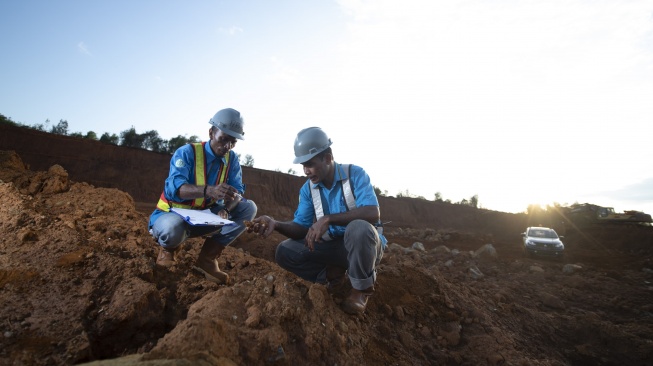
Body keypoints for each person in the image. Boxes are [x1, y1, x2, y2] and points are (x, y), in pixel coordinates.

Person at [247, 127, 386, 314]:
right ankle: (331, 275)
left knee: (359, 228)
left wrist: (328, 219)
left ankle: (361, 291)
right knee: (285, 251)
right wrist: (276, 223)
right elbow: (300, 227)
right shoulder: (308, 189)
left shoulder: (355, 174)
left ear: (327, 158)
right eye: (303, 166)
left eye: (310, 164)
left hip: (364, 246)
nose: (306, 171)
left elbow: (373, 212)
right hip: (335, 248)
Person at [148, 107, 257, 284]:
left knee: (248, 207)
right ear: (211, 132)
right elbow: (175, 189)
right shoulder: (187, 153)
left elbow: (237, 193)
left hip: (204, 217)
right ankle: (167, 250)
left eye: (233, 142)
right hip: (173, 215)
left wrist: (227, 210)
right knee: (172, 229)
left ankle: (207, 260)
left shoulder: (232, 160)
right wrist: (208, 190)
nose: (227, 146)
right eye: (223, 139)